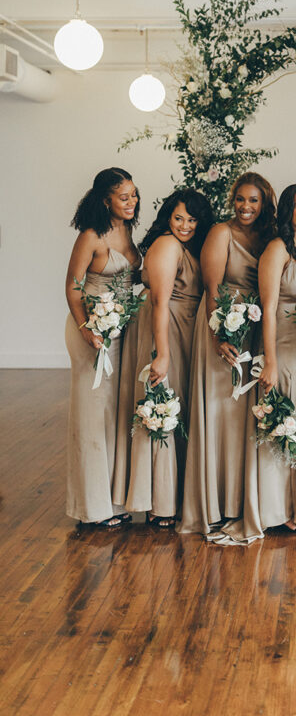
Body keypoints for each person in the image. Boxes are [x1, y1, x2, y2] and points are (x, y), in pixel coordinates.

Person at [208, 184, 296, 543]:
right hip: (282, 345)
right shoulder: (277, 250)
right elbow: (269, 307)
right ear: (286, 211)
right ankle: (276, 508)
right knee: (280, 421)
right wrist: (271, 361)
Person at [179, 173, 277, 537]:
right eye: (240, 199)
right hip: (220, 326)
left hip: (253, 329)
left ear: (264, 202)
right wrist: (219, 334)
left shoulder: (269, 237)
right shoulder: (221, 233)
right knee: (219, 414)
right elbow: (211, 286)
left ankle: (239, 502)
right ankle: (210, 505)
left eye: (253, 200)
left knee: (243, 420)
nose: (245, 207)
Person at [113, 188, 213, 527]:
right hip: (165, 328)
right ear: (168, 218)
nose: (185, 225)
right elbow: (159, 301)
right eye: (178, 218)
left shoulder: (186, 246)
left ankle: (171, 496)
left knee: (177, 407)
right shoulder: (168, 245)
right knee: (162, 406)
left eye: (192, 219)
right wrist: (163, 354)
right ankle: (158, 503)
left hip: (183, 329)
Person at [65, 167, 140, 528]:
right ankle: (91, 509)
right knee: (93, 417)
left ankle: (114, 500)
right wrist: (87, 330)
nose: (131, 202)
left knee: (115, 414)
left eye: (134, 195)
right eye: (124, 196)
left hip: (122, 330)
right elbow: (73, 288)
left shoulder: (127, 230)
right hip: (92, 331)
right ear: (105, 199)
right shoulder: (91, 236)